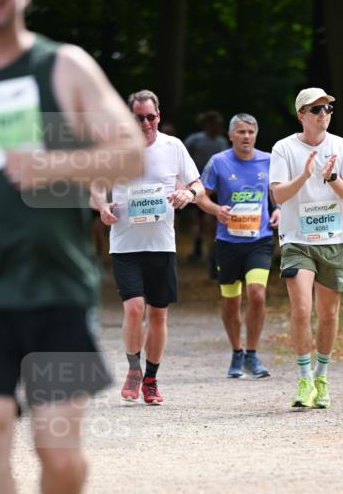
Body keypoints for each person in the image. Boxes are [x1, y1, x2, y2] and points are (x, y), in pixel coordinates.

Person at [0, 0, 143, 494]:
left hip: (53, 289)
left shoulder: (62, 65)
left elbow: (129, 151)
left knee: (59, 452)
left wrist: (51, 161)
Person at [99, 89, 203, 405]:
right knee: (133, 308)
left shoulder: (174, 147)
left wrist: (190, 195)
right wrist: (101, 207)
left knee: (158, 315)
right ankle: (133, 368)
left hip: (161, 245)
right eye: (138, 117)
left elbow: (196, 183)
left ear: (158, 116)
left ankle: (151, 379)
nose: (145, 123)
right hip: (125, 244)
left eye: (150, 116)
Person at [269, 87, 343, 409]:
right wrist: (304, 176)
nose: (323, 114)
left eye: (327, 109)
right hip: (297, 240)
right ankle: (304, 378)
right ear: (301, 115)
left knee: (328, 313)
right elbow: (279, 196)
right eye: (316, 109)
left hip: (336, 240)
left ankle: (322, 376)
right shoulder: (284, 148)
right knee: (301, 309)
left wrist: (331, 177)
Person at [197, 114, 279, 378]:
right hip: (228, 242)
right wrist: (215, 210)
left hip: (260, 240)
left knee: (257, 294)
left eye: (251, 132)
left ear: (256, 135)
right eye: (241, 132)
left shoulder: (269, 161)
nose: (246, 136)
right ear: (230, 135)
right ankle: (236, 353)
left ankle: (252, 355)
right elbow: (200, 195)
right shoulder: (218, 162)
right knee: (231, 302)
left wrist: (279, 210)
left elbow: (280, 193)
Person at [184, 111, 229, 262]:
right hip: (197, 185)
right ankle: (197, 248)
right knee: (198, 220)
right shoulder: (195, 140)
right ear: (207, 124)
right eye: (215, 124)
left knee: (213, 220)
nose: (218, 127)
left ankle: (213, 252)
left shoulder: (222, 142)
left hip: (216, 187)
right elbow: (183, 158)